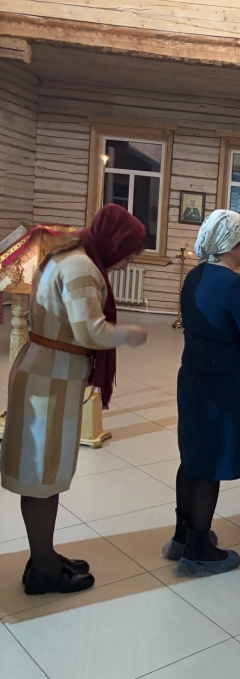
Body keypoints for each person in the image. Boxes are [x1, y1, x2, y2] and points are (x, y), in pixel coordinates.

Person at [0, 204, 148, 595]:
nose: (125, 262)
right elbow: (89, 331)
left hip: (47, 372)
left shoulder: (68, 253)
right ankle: (43, 568)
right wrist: (128, 333)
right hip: (50, 379)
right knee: (42, 476)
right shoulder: (81, 266)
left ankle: (43, 554)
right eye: (128, 253)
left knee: (44, 473)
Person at [164, 210, 240, 575]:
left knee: (192, 457)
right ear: (231, 244)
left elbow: (212, 325)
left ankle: (181, 537)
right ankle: (198, 551)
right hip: (223, 384)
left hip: (193, 377)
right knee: (209, 465)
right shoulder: (237, 286)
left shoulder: (194, 276)